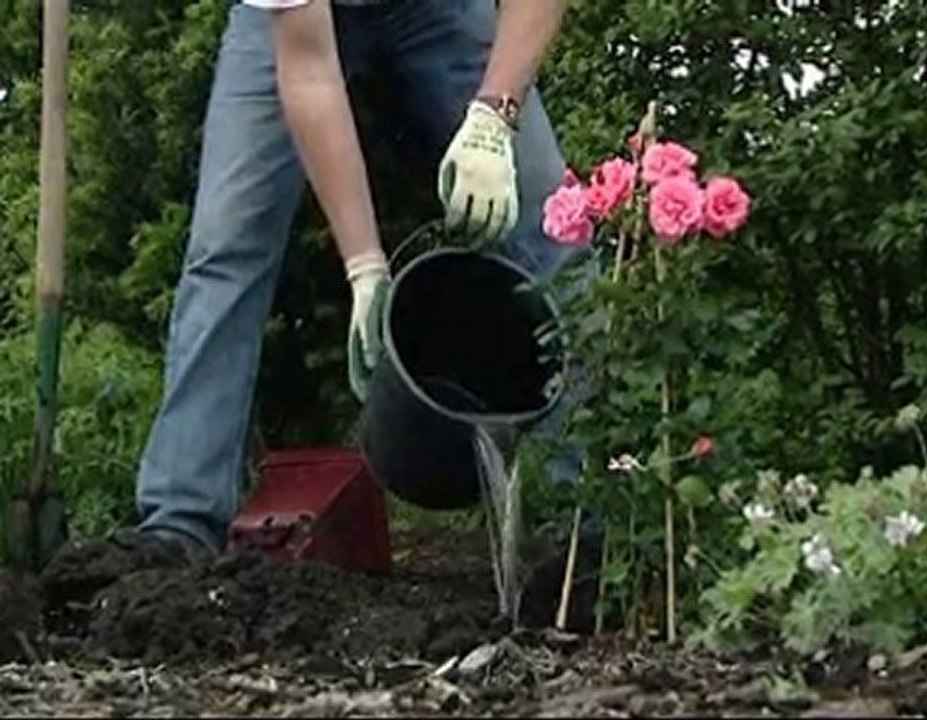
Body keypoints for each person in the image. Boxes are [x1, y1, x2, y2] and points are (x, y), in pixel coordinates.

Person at [44, 0, 600, 627]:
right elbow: (308, 69)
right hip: (290, 23)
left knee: (558, 226)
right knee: (228, 243)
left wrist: (494, 116)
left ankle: (584, 530)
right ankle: (178, 523)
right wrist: (364, 265)